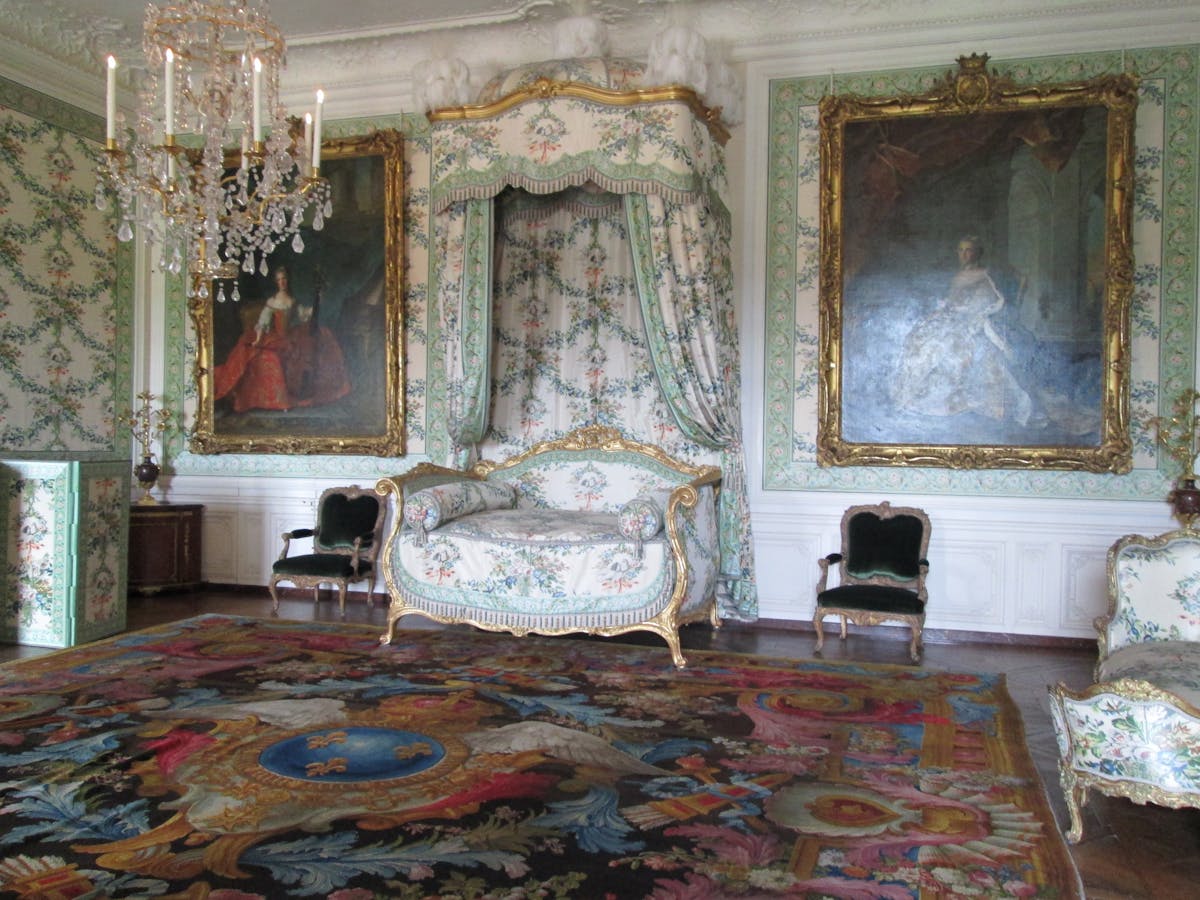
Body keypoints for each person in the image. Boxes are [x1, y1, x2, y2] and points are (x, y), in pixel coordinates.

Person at [891, 235, 1033, 427]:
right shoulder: (958, 275)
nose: (964, 254)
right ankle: (911, 394)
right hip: (953, 318)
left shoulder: (985, 274)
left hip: (973, 321)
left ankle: (948, 397)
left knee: (944, 345)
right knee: (918, 339)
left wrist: (963, 312)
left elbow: (991, 301)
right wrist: (940, 312)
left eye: (969, 250)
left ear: (977, 253)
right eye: (961, 250)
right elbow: (952, 301)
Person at [213, 265, 352, 413]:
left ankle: (311, 387)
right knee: (268, 355)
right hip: (276, 337)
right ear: (276, 282)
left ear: (287, 280)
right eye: (279, 280)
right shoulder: (272, 302)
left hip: (290, 335)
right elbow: (262, 323)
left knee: (322, 337)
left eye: (284, 279)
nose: (282, 282)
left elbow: (304, 315)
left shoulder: (293, 300)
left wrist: (318, 297)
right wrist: (258, 340)